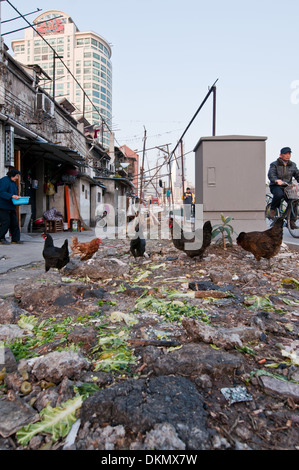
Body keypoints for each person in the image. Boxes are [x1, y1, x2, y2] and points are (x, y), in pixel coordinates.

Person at [268, 147, 299, 228]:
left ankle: (291, 220)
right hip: (276, 186)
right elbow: (271, 174)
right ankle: (273, 209)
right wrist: (276, 180)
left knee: (294, 200)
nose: (288, 155)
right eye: (286, 154)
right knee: (278, 194)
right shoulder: (274, 164)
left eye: (289, 154)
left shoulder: (293, 165)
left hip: (287, 187)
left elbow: (297, 175)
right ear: (281, 155)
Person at [0, 169, 23, 245]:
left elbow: (14, 194)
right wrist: (12, 196)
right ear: (12, 175)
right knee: (5, 222)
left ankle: (15, 239)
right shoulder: (3, 181)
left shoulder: (13, 183)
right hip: (3, 206)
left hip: (11, 206)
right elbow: (1, 192)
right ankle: (1, 239)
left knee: (15, 223)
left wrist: (18, 200)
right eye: (17, 176)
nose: (17, 177)